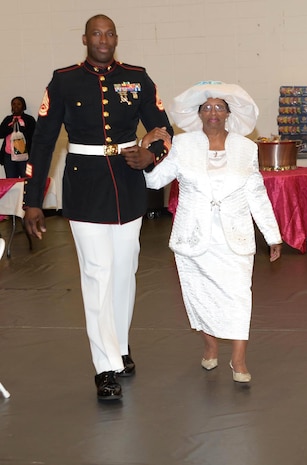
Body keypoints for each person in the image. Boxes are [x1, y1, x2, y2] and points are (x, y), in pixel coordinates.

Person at [23, 14, 173, 401]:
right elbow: (42, 143)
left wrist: (150, 154)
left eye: (109, 34)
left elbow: (163, 128)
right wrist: (33, 201)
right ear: (85, 38)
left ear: (116, 39)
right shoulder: (64, 80)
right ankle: (105, 365)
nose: (103, 40)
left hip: (127, 184)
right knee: (97, 273)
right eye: (96, 33)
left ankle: (120, 347)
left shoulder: (137, 77)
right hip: (85, 186)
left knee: (125, 271)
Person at [143, 81, 282, 383]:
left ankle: (239, 359)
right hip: (194, 236)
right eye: (207, 107)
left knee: (239, 296)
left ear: (229, 113)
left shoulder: (246, 148)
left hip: (235, 236)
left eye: (220, 107)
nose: (213, 112)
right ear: (199, 114)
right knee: (201, 296)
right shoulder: (183, 144)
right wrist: (146, 147)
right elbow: (155, 181)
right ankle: (209, 347)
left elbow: (256, 193)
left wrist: (272, 235)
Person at [0, 97, 36, 178]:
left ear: (23, 106)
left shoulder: (29, 119)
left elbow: (33, 135)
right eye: (14, 104)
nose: (16, 106)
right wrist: (11, 128)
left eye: (19, 104)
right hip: (9, 155)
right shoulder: (8, 119)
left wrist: (20, 127)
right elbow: (1, 133)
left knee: (26, 179)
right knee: (11, 180)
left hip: (24, 155)